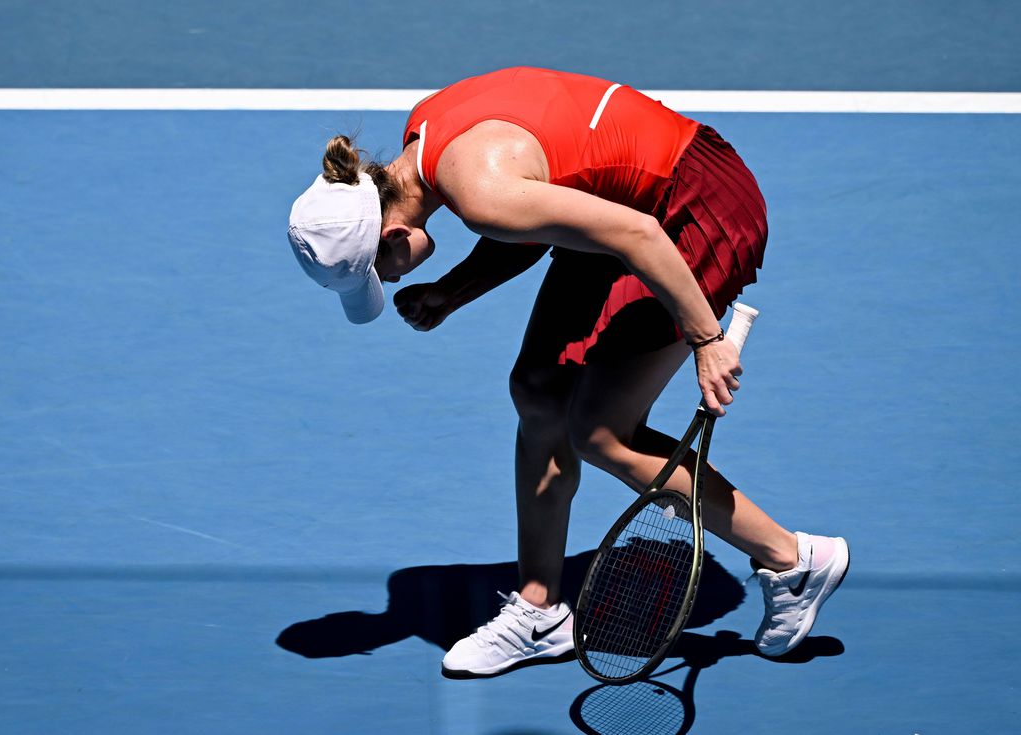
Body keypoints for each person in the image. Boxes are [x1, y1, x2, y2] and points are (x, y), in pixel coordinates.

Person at [287, 66, 848, 678]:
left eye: (380, 271)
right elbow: (544, 203)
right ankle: (540, 611)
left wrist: (706, 338)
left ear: (394, 233)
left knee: (604, 434)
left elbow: (634, 232)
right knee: (538, 390)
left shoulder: (481, 194)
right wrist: (452, 291)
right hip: (628, 207)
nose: (391, 282)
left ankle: (793, 560)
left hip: (691, 210)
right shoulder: (424, 133)